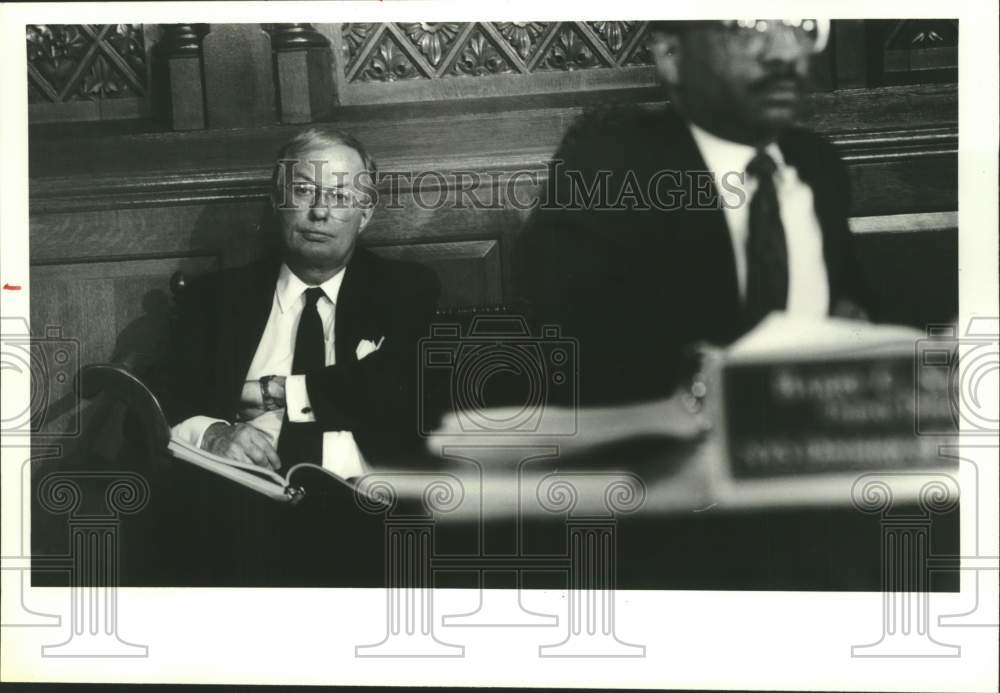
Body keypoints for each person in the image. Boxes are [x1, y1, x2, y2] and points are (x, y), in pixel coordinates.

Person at [522, 19, 872, 405]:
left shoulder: (820, 166)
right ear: (671, 56)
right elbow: (582, 369)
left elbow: (851, 312)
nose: (785, 53)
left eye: (804, 25)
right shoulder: (608, 172)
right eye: (748, 25)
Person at [162, 128, 440, 476]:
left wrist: (277, 391)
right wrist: (213, 434)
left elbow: (403, 390)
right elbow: (157, 398)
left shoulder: (404, 290)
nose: (319, 211)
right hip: (246, 506)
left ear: (365, 215)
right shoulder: (215, 298)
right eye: (305, 190)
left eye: (340, 196)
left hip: (370, 507)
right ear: (278, 200)